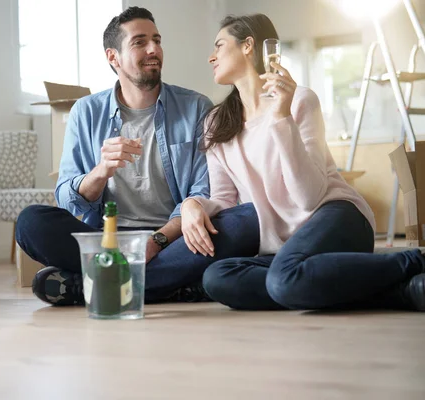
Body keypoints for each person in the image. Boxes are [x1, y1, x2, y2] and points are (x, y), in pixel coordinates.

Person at [180, 14, 425, 312]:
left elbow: (309, 197)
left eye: (219, 46)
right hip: (285, 246)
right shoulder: (216, 122)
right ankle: (404, 290)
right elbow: (225, 199)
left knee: (283, 279)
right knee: (217, 278)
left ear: (248, 45)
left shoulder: (300, 100)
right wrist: (192, 206)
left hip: (334, 215)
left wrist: (281, 117)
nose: (211, 57)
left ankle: (414, 260)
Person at [15, 7, 260, 306]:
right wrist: (101, 171)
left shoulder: (196, 107)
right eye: (139, 42)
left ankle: (92, 286)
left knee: (246, 221)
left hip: (174, 238)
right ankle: (173, 286)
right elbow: (68, 199)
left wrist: (156, 242)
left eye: (156, 40)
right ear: (113, 57)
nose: (154, 49)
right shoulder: (86, 111)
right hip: (108, 239)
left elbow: (202, 192)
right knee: (30, 222)